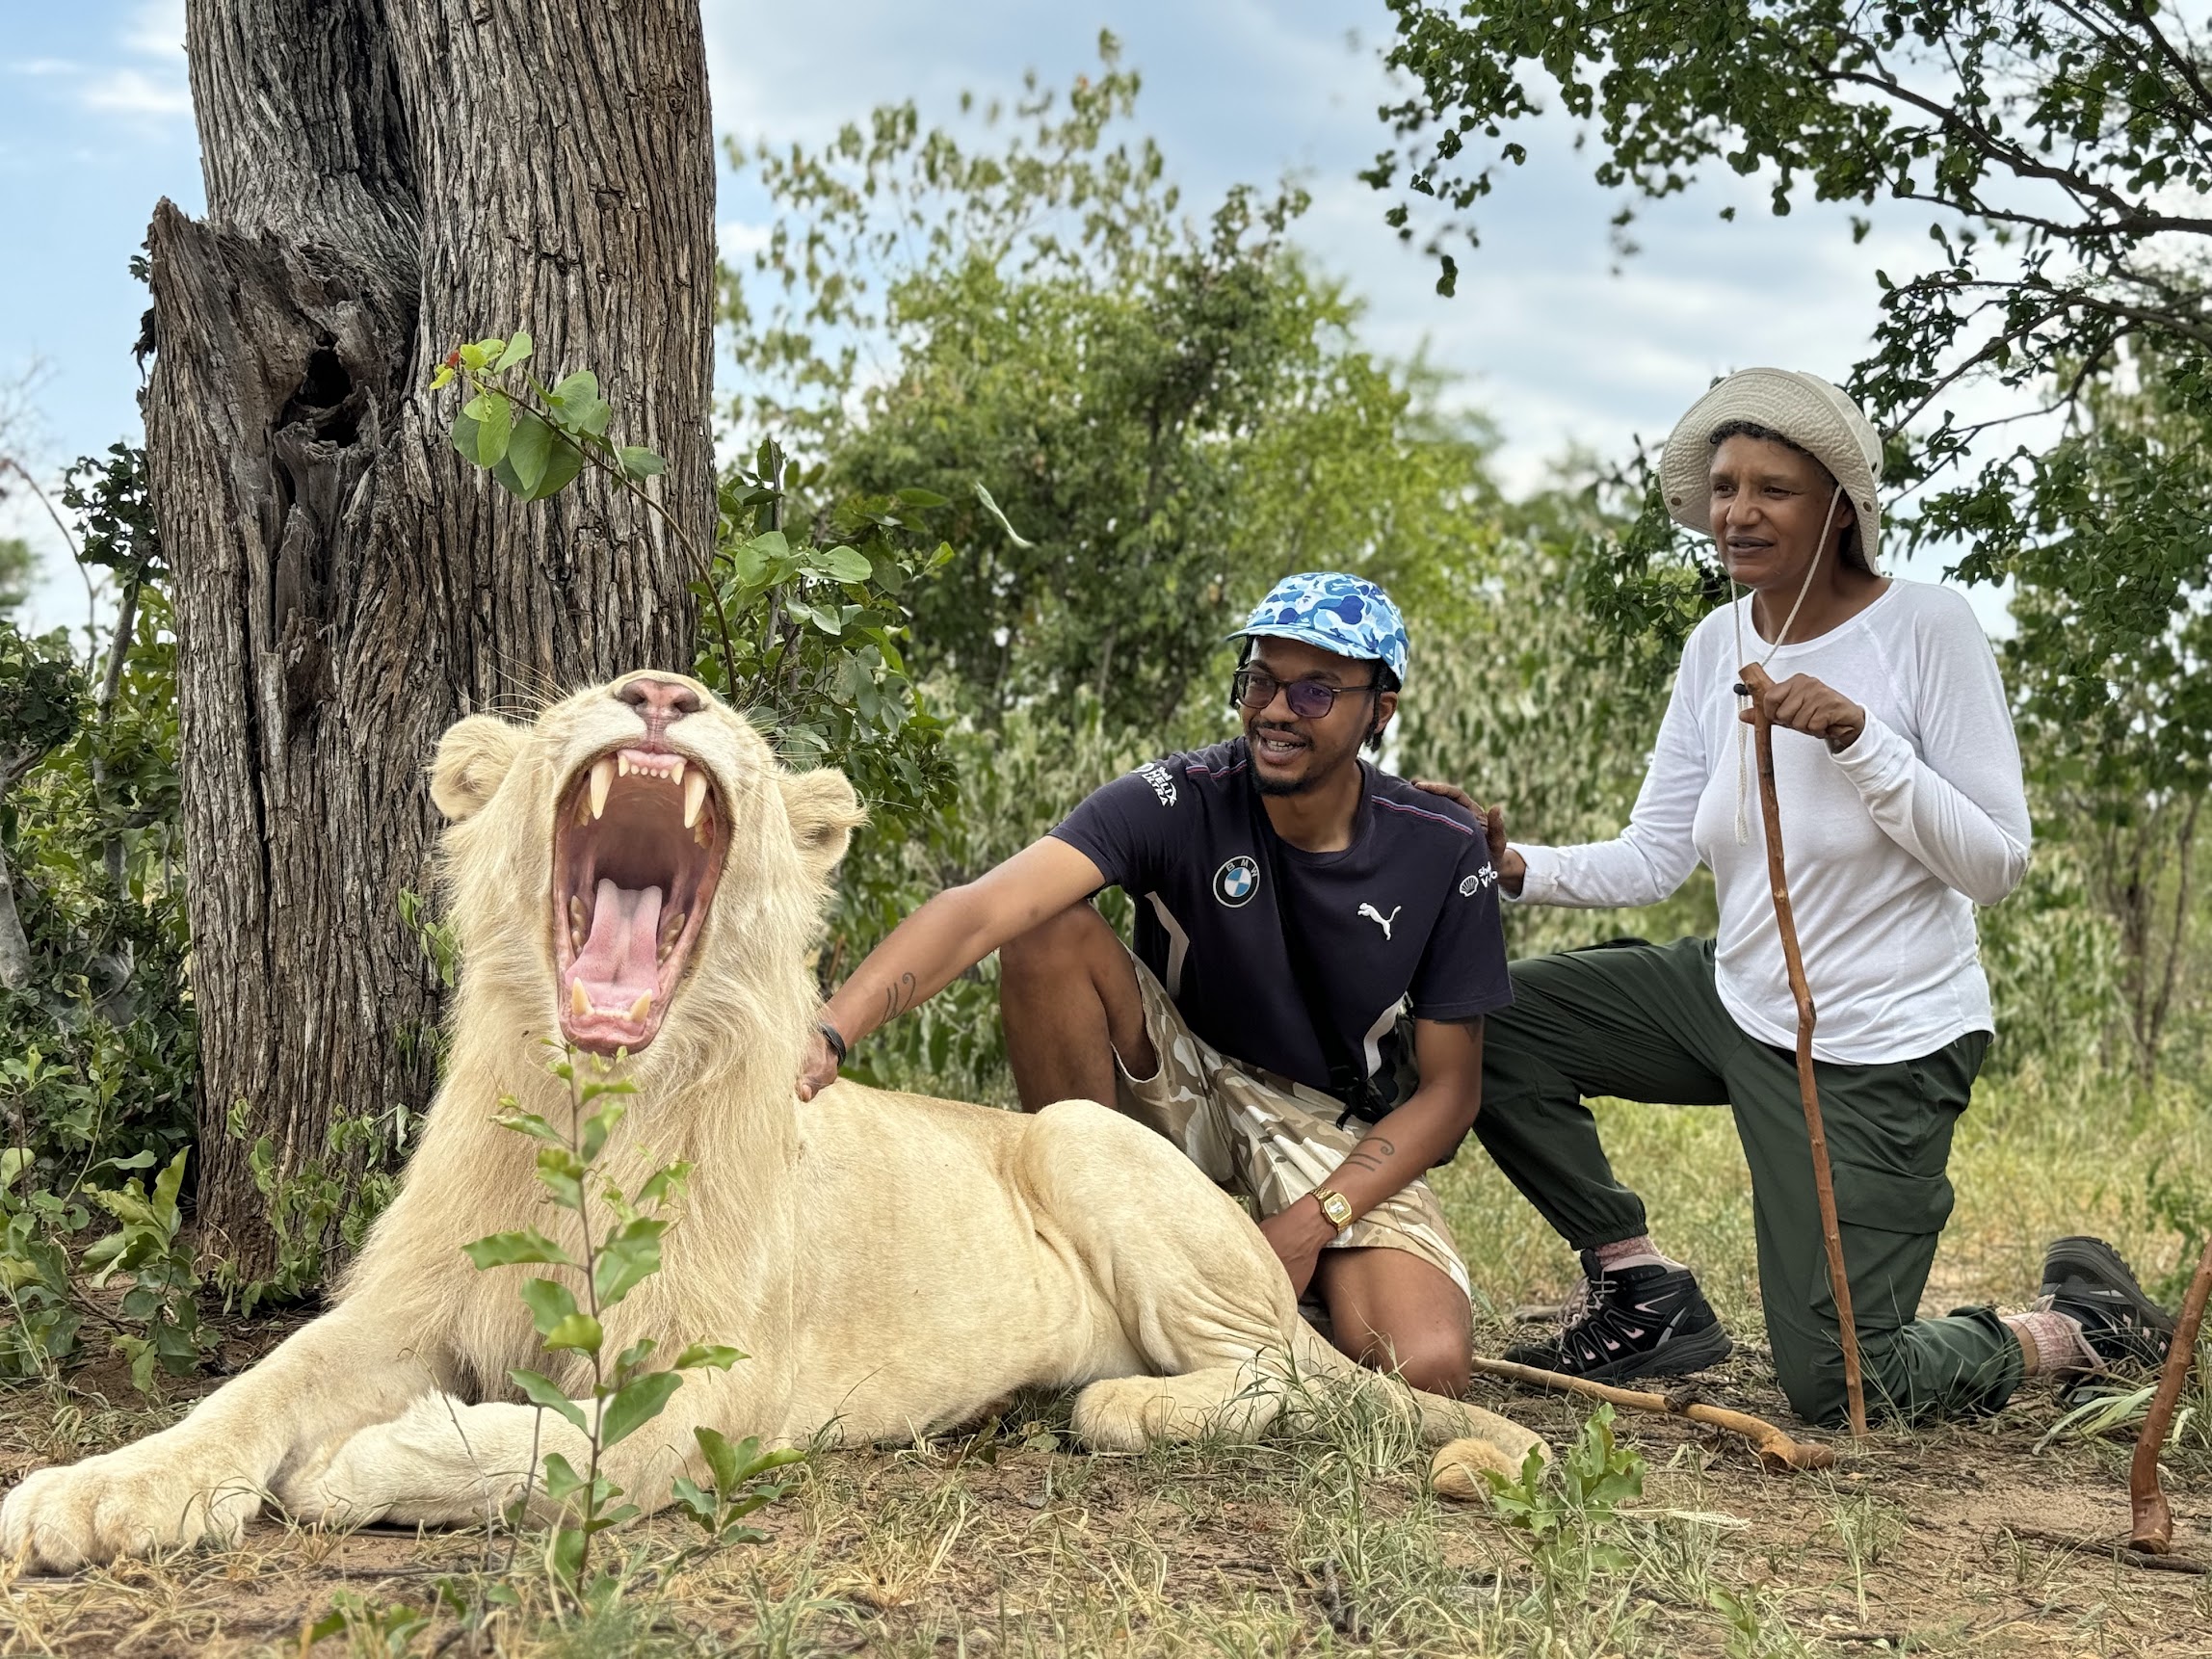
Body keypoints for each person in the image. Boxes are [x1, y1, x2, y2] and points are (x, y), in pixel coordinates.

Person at [1420, 367, 2175, 1426]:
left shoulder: (1926, 627)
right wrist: (1509, 864)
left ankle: (2075, 1329)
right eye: (1724, 487)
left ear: (1840, 506)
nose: (1736, 511)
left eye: (1771, 487)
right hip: (1732, 995)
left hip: (1876, 1044)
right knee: (1489, 1023)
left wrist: (1859, 740)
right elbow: (1653, 857)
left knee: (1842, 1384)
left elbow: (1996, 864)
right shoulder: (1714, 644)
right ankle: (1640, 1288)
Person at [795, 573, 1514, 1394]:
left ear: (1379, 709)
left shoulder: (1441, 845)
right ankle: (1092, 1255)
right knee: (1047, 927)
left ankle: (1285, 1279)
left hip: (1326, 1121)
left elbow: (1451, 1093)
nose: (1277, 710)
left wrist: (1313, 1224)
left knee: (1420, 1367)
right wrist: (825, 1034)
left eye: (1316, 691)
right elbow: (981, 911)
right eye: (1261, 681)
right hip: (1179, 1071)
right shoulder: (1178, 796)